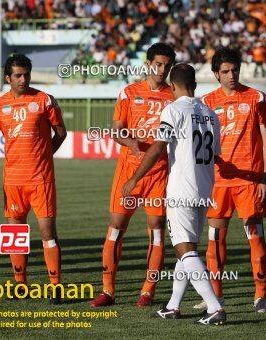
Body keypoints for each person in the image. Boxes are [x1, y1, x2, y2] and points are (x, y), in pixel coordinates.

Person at [122, 63, 226, 325]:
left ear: (172, 87)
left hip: (182, 188)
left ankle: (214, 307)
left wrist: (134, 178)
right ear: (195, 85)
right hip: (204, 188)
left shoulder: (173, 109)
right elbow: (214, 154)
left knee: (184, 249)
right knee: (186, 250)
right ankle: (172, 306)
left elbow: (158, 147)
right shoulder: (211, 113)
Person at [90, 43, 176, 307]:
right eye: (158, 64)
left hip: (159, 174)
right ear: (148, 63)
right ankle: (108, 291)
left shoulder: (174, 97)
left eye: (167, 65)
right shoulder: (128, 93)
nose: (162, 70)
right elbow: (116, 130)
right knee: (116, 227)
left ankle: (147, 291)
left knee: (157, 231)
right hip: (127, 171)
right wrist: (131, 143)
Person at [0, 54, 67, 304]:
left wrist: (44, 156)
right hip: (13, 181)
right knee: (15, 233)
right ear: (8, 78)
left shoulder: (44, 100)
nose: (23, 79)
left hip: (41, 180)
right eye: (17, 75)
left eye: (26, 74)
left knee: (46, 231)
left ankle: (55, 286)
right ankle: (20, 284)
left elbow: (61, 133)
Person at [196, 48, 266, 313]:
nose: (231, 75)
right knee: (215, 240)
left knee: (255, 236)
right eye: (225, 71)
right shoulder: (204, 102)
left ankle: (261, 295)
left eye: (235, 70)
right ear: (216, 73)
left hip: (250, 181)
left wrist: (265, 177)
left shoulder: (257, 98)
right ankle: (215, 296)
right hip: (216, 182)